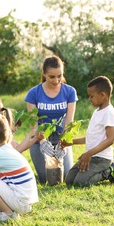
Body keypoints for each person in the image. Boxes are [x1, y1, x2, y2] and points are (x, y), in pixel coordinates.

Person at [24, 55, 78, 183]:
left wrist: (63, 143)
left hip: (60, 137)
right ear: (44, 74)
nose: (56, 80)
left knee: (65, 177)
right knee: (46, 178)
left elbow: (68, 122)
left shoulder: (70, 92)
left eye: (59, 76)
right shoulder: (33, 93)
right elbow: (34, 123)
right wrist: (42, 141)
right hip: (40, 139)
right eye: (52, 76)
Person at [63, 76, 114, 186]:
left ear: (103, 95)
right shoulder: (97, 111)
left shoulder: (108, 112)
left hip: (101, 159)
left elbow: (111, 139)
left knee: (80, 183)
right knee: (69, 180)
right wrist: (70, 142)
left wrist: (88, 154)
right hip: (91, 157)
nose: (89, 99)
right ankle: (100, 170)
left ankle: (109, 171)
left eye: (91, 96)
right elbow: (91, 138)